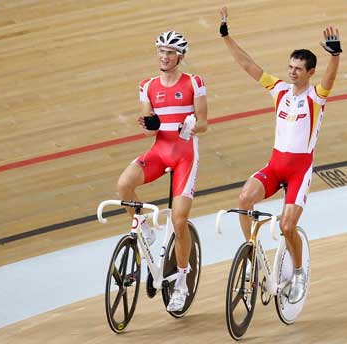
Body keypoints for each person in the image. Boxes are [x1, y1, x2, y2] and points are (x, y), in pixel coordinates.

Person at [219, 6, 341, 304]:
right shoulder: (279, 89)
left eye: (298, 69)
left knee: (287, 227)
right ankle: (250, 253)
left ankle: (298, 271)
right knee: (244, 199)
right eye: (290, 67)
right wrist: (226, 37)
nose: (292, 72)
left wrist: (335, 56)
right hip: (275, 165)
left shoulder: (316, 98)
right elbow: (249, 66)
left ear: (309, 72)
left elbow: (329, 79)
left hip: (299, 171)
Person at [117, 30, 208, 312]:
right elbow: (149, 121)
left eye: (170, 52)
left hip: (184, 157)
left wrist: (191, 125)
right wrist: (148, 124)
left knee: (179, 221)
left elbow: (204, 123)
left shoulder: (194, 82)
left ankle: (181, 281)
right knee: (124, 185)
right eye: (161, 51)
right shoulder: (147, 85)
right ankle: (142, 224)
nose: (164, 56)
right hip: (160, 152)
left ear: (180, 56)